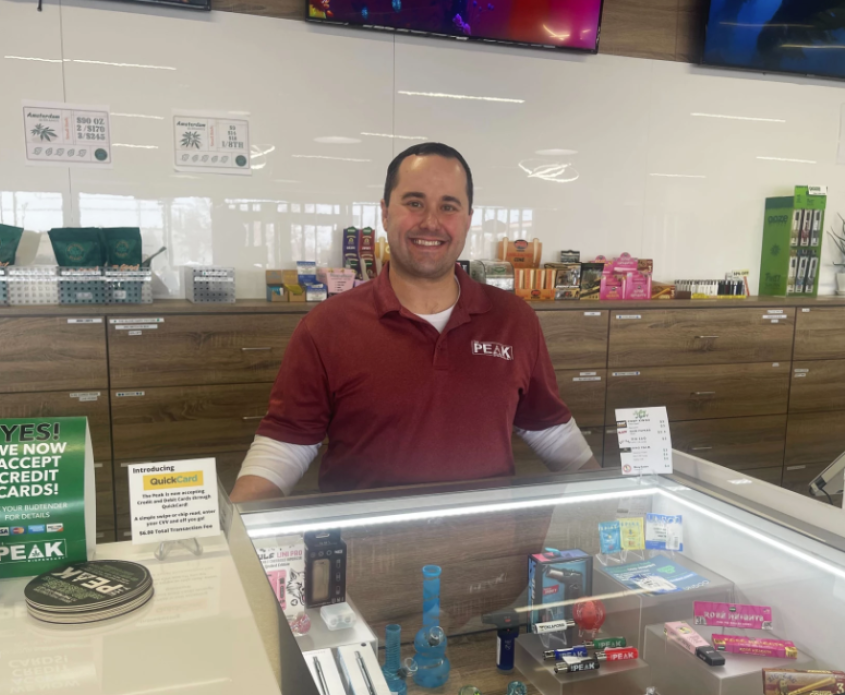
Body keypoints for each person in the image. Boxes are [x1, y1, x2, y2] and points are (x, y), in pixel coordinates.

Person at [230, 143, 600, 502]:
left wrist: (612, 506)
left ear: (468, 220)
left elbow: (550, 430)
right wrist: (232, 538)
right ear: (385, 213)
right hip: (367, 551)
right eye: (414, 202)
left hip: (487, 547)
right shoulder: (327, 326)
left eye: (449, 206)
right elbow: (286, 444)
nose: (431, 222)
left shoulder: (514, 320)